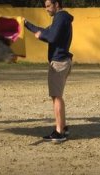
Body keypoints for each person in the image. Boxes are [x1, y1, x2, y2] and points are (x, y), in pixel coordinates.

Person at [24, 0, 73, 143]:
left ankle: (60, 132)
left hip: (58, 62)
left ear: (57, 4)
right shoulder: (62, 18)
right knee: (58, 96)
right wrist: (27, 25)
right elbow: (47, 32)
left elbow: (50, 36)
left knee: (56, 97)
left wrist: (41, 36)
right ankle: (62, 128)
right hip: (62, 60)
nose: (46, 9)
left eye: (48, 6)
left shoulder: (60, 17)